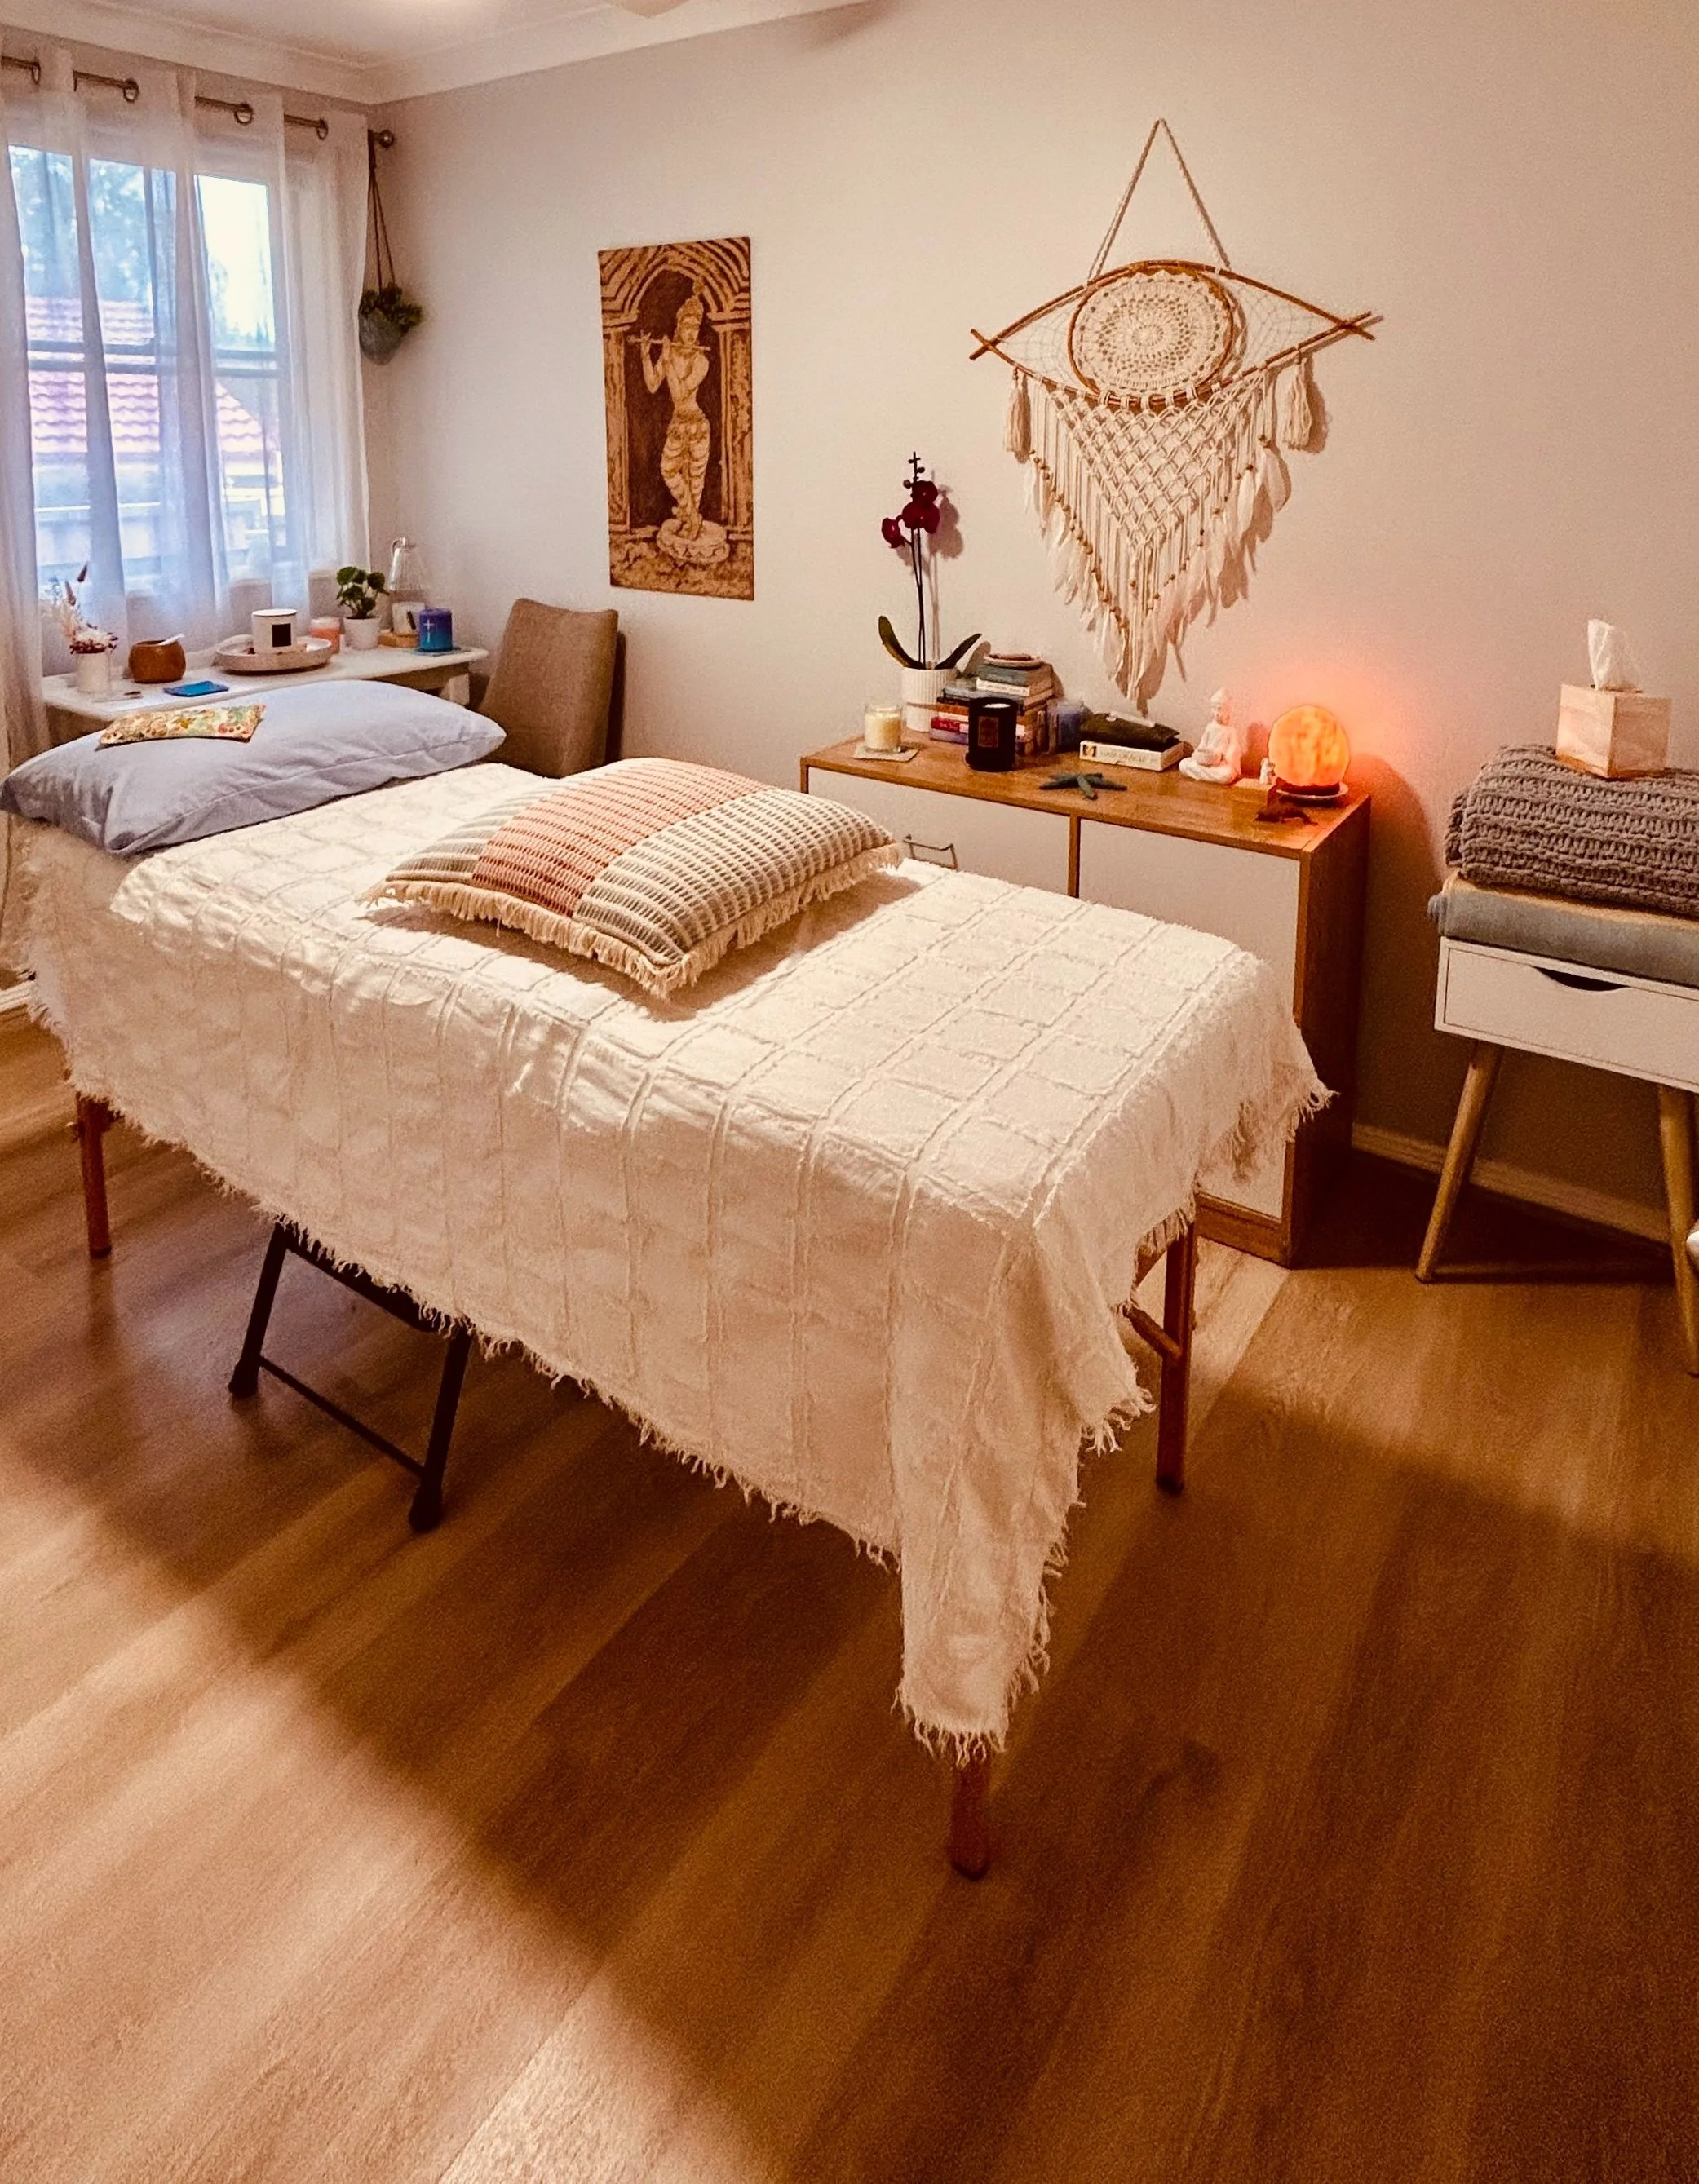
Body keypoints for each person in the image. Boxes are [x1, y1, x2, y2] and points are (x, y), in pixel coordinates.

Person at [641, 293, 727, 565]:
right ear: (678, 326)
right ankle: (691, 516)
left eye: (695, 328)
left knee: (694, 479)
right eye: (687, 327)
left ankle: (691, 521)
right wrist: (646, 356)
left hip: (697, 425)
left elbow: (679, 395)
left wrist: (667, 360)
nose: (691, 333)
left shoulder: (702, 361)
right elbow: (653, 384)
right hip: (679, 425)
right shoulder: (672, 352)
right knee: (669, 470)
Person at [1178, 687, 1245, 785]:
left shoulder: (1230, 731)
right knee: (1183, 764)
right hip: (1205, 763)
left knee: (1228, 774)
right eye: (1214, 709)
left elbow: (1233, 752)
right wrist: (1199, 753)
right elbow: (1203, 745)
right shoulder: (1210, 727)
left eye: (1220, 710)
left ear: (1228, 711)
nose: (1217, 713)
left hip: (1220, 764)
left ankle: (1206, 776)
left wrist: (1222, 756)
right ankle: (1204, 775)